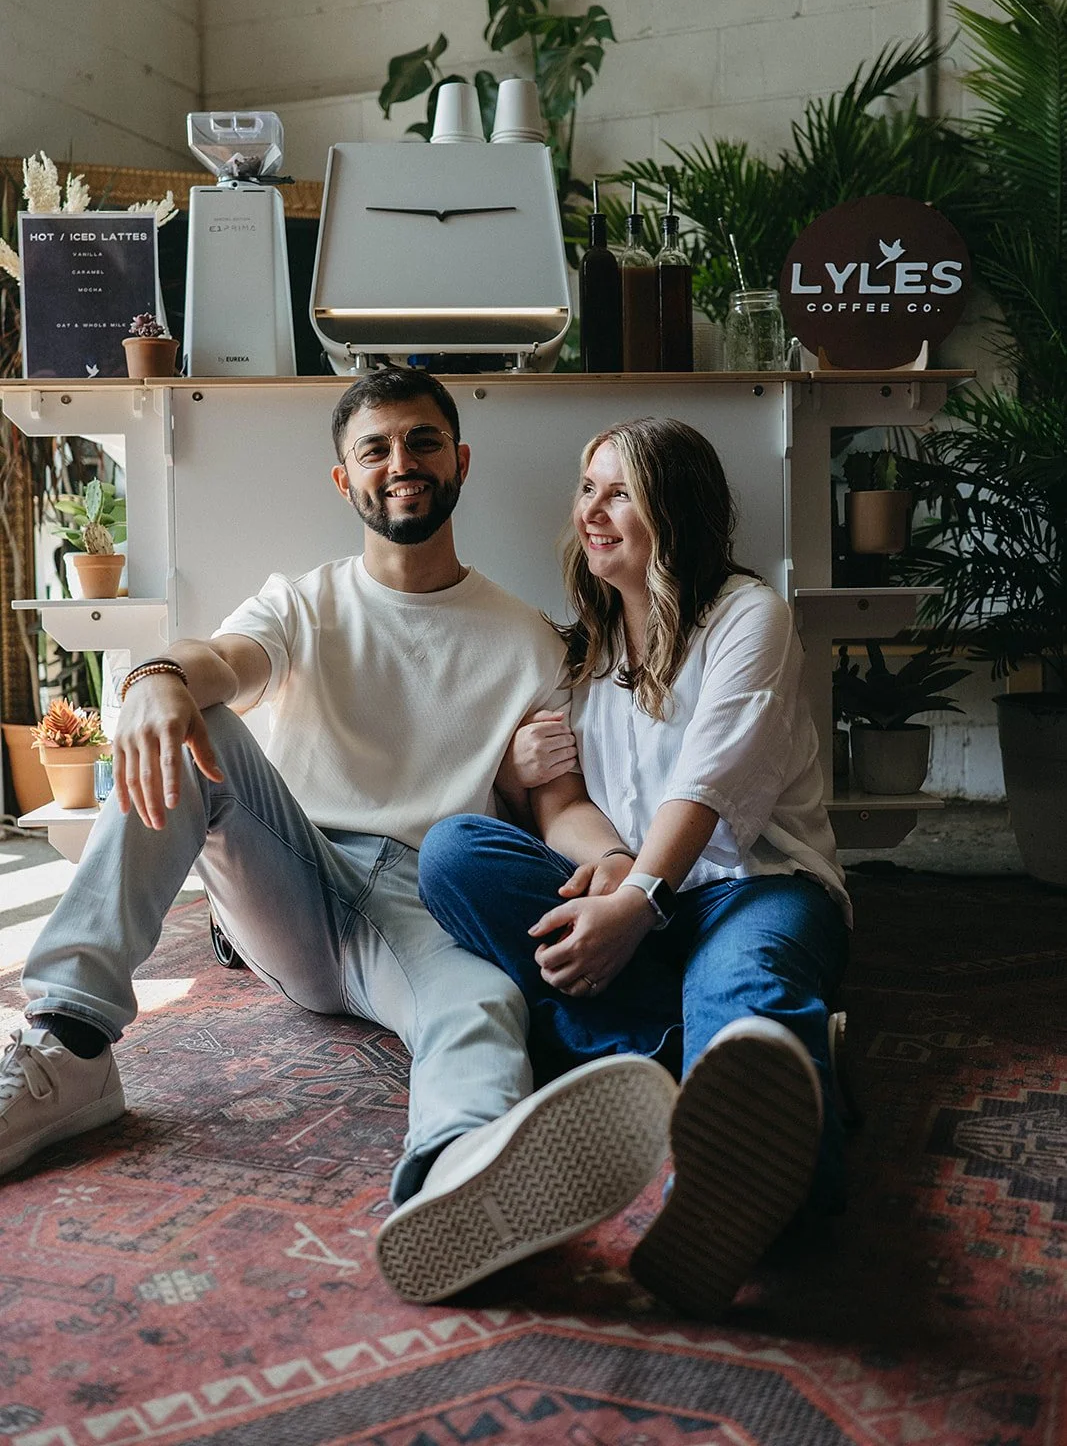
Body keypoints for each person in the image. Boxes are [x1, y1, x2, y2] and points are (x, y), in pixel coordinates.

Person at [0, 369, 676, 1306]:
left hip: (422, 902)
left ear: (459, 461)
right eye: (377, 447)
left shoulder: (527, 640)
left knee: (482, 1005)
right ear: (345, 479)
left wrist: (612, 862)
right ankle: (70, 1044)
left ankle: (457, 1179)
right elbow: (225, 663)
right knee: (201, 726)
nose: (402, 462)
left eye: (423, 442)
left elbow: (559, 805)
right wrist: (157, 672)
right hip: (300, 875)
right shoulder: (303, 602)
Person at [418, 415, 852, 1320]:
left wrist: (640, 901)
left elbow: (707, 788)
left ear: (675, 509)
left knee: (747, 997)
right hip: (637, 899)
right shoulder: (580, 650)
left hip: (752, 890)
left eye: (620, 492)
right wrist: (613, 867)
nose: (592, 511)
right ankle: (691, 1070)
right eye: (587, 489)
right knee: (458, 852)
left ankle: (765, 1177)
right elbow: (560, 807)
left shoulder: (748, 618)